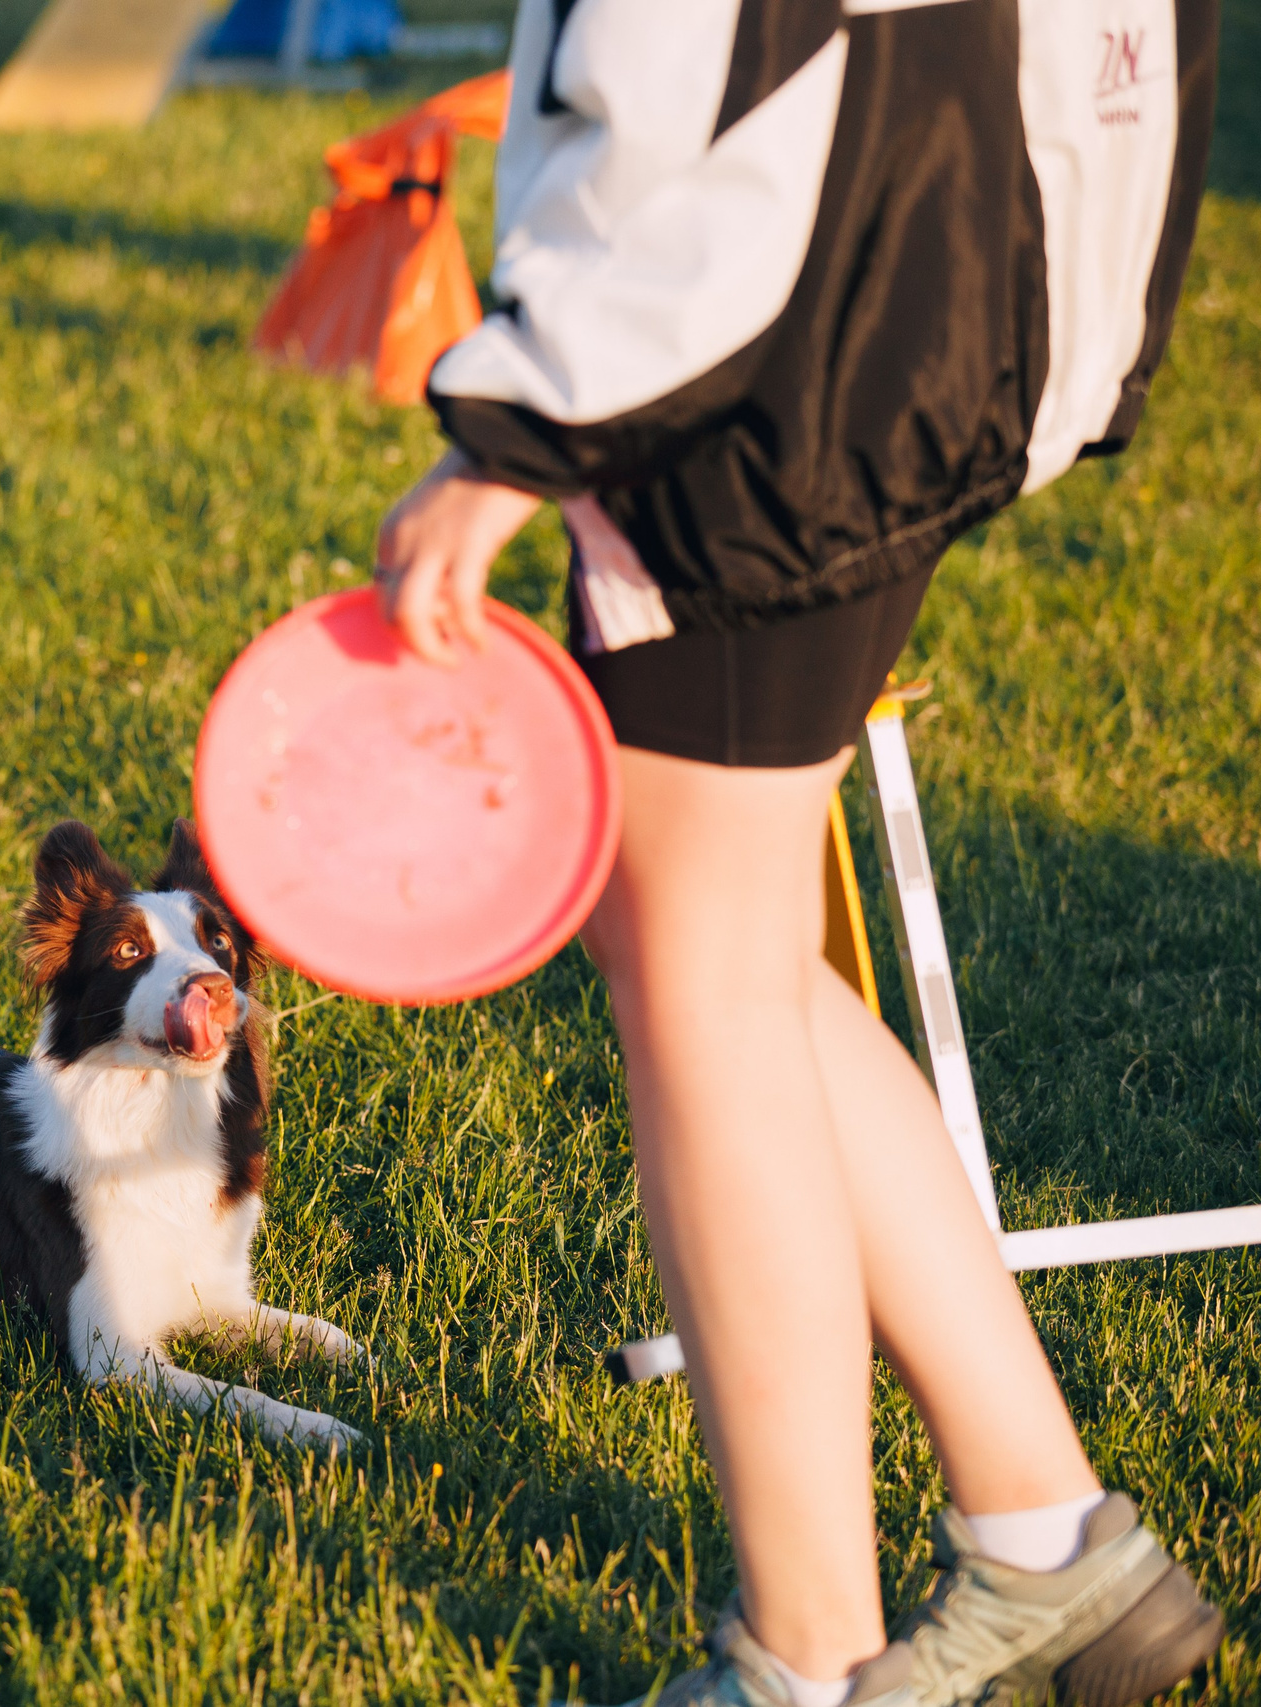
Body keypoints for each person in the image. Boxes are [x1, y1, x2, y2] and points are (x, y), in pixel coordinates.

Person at [372, 3, 1225, 1706]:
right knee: (708, 942)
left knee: (702, 989)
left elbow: (707, 71)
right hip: (921, 311)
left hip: (765, 380)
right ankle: (1052, 1540)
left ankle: (811, 1658)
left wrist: (522, 431)